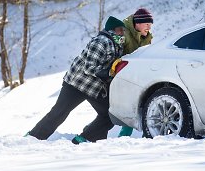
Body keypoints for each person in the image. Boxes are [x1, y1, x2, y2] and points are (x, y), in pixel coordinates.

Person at [27, 16, 125, 144]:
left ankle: (85, 138)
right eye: (120, 30)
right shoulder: (101, 41)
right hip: (76, 84)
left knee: (109, 115)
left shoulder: (116, 44)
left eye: (124, 31)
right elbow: (89, 67)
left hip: (93, 88)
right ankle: (33, 138)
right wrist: (107, 72)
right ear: (112, 30)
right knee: (59, 112)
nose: (122, 33)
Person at [118, 8, 154, 137]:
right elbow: (117, 55)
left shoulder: (147, 37)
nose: (149, 27)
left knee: (140, 104)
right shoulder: (124, 33)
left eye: (150, 25)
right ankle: (122, 137)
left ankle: (148, 135)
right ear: (138, 23)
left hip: (138, 75)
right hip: (122, 74)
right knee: (125, 106)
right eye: (147, 24)